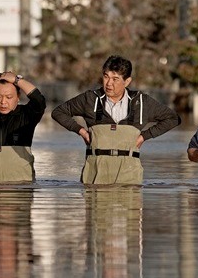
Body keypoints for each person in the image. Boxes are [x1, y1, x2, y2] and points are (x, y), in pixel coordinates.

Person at [52, 55, 181, 185]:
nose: (108, 83)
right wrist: (81, 131)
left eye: (115, 79)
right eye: (106, 76)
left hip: (130, 176)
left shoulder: (142, 102)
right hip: (95, 175)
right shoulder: (90, 99)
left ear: (127, 81)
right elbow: (58, 112)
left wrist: (144, 136)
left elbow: (173, 118)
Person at [0, 71, 46, 183]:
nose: (3, 102)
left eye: (9, 97)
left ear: (18, 97)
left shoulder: (26, 115)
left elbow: (39, 101)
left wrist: (17, 80)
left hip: (21, 191)